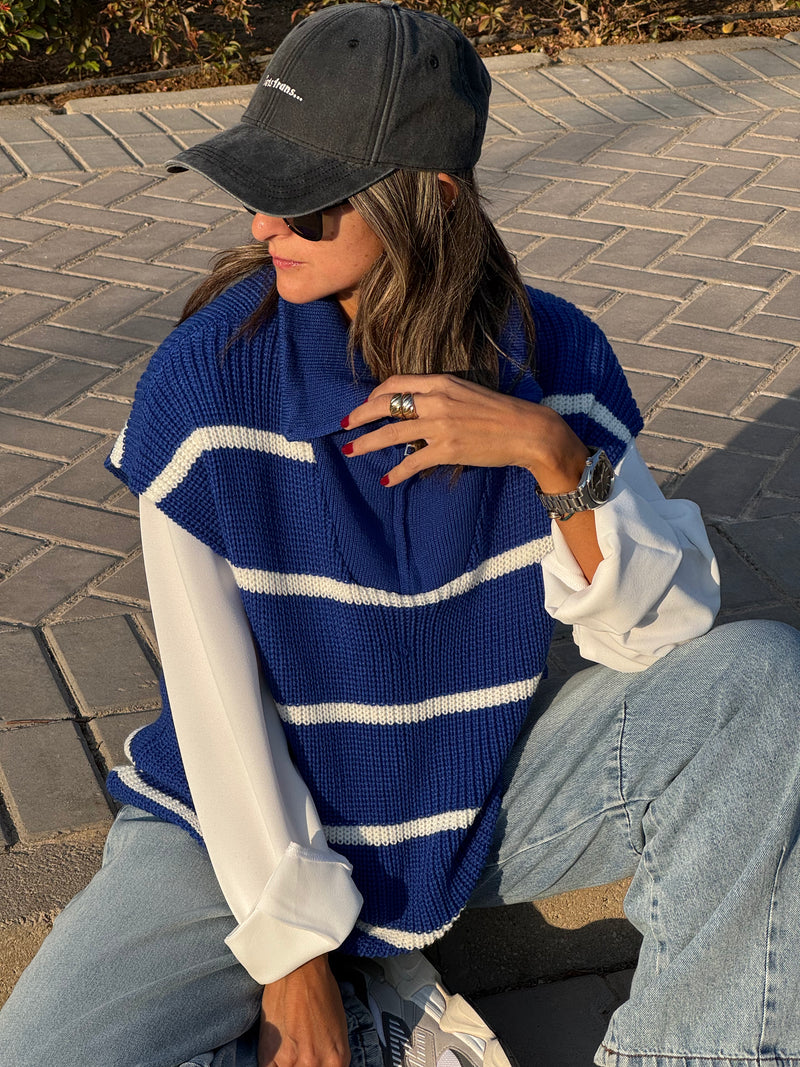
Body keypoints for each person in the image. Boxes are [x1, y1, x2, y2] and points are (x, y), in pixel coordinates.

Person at [2, 3, 799, 1066]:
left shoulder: (549, 355)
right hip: (233, 832)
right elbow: (210, 697)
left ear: (429, 198)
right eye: (255, 190)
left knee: (762, 684)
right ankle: (356, 992)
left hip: (463, 795)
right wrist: (292, 953)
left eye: (305, 204)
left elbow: (656, 633)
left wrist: (551, 455)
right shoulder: (208, 381)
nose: (263, 228)